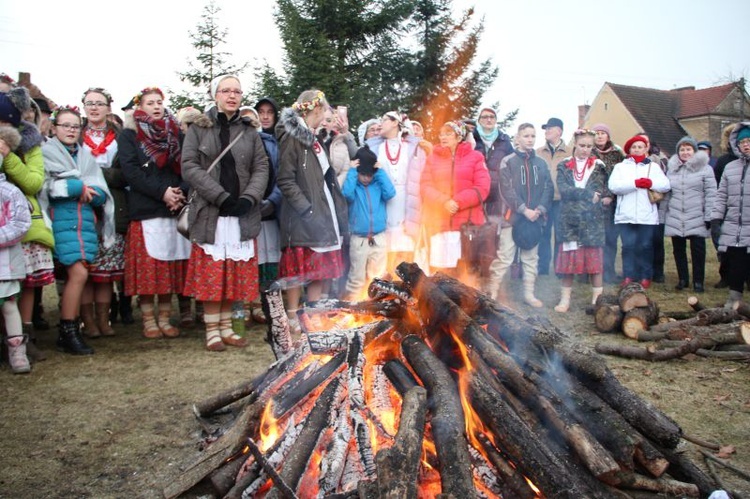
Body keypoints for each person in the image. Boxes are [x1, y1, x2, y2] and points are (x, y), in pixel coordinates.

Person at [181, 75, 269, 351]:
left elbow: (261, 167)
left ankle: (228, 326)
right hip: (211, 211)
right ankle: (212, 330)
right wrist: (219, 196)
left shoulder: (249, 130)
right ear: (215, 95)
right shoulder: (199, 127)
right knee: (213, 272)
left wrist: (248, 198)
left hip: (240, 212)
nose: (232, 96)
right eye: (226, 91)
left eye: (237, 92)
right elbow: (189, 166)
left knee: (233, 271)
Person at [40, 106, 115, 355]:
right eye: (66, 126)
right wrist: (76, 187)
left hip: (84, 223)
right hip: (59, 221)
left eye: (75, 126)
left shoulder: (85, 156)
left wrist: (91, 194)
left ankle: (70, 329)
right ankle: (68, 330)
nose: (71, 130)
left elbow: (100, 190)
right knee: (78, 274)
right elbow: (46, 187)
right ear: (54, 128)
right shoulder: (46, 153)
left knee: (80, 273)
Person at [119, 87, 190, 339]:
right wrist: (163, 193)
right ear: (140, 107)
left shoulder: (175, 133)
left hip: (173, 208)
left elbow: (187, 166)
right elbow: (131, 171)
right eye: (150, 103)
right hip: (147, 207)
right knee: (150, 270)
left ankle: (164, 317)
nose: (157, 106)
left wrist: (179, 193)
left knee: (168, 268)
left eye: (159, 102)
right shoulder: (129, 135)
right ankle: (149, 320)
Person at [276, 89, 347, 326]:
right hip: (302, 216)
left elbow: (325, 177)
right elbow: (285, 179)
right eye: (325, 109)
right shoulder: (292, 137)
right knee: (297, 270)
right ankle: (293, 316)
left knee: (320, 268)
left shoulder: (314, 139)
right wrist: (305, 209)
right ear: (315, 108)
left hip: (322, 212)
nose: (327, 113)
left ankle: (312, 315)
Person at [0, 87, 55, 362]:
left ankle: (25, 337)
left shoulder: (29, 144)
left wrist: (8, 158)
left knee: (25, 285)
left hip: (21, 224)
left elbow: (33, 183)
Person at [487, 123, 553, 306]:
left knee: (531, 258)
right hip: (513, 217)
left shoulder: (541, 163)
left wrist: (539, 210)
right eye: (526, 136)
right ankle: (492, 291)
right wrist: (523, 209)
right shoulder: (508, 161)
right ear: (517, 138)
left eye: (533, 136)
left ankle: (529, 294)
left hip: (534, 219)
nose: (530, 139)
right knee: (505, 256)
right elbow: (506, 189)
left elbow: (548, 188)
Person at [79, 87, 126, 336]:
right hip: (82, 207)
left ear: (109, 107)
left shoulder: (121, 136)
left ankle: (104, 319)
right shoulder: (75, 135)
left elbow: (125, 172)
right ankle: (88, 321)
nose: (94, 108)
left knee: (106, 270)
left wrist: (97, 176)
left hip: (113, 208)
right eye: (90, 103)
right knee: (85, 269)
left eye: (99, 103)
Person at [420, 120, 490, 278]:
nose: (443, 137)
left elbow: (483, 187)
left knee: (464, 274)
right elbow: (425, 186)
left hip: (466, 227)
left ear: (459, 136)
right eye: (441, 133)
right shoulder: (432, 158)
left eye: (448, 133)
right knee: (439, 273)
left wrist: (457, 202)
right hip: (439, 224)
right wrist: (444, 201)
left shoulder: (475, 157)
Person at [553, 130, 610, 312]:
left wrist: (585, 196)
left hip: (592, 220)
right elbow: (564, 190)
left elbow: (598, 190)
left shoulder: (598, 166)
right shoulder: (564, 165)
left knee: (594, 263)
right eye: (582, 145)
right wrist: (586, 194)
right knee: (569, 262)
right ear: (575, 144)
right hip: (569, 221)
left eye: (589, 146)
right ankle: (565, 300)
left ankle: (597, 300)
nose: (586, 150)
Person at [607, 135, 670, 289]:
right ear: (629, 150)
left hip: (646, 214)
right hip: (626, 214)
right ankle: (629, 275)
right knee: (628, 246)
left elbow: (666, 185)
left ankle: (645, 276)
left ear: (645, 149)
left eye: (640, 147)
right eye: (634, 147)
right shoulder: (620, 167)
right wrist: (634, 184)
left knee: (645, 246)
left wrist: (651, 183)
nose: (637, 149)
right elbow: (614, 186)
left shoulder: (653, 167)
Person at [366, 111, 423, 271]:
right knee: (383, 251)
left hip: (407, 200)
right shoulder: (374, 148)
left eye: (384, 120)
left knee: (405, 247)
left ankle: (405, 286)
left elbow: (421, 178)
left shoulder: (413, 148)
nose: (379, 124)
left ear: (395, 123)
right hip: (383, 201)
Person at [661, 137, 716, 293]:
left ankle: (698, 281)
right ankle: (683, 279)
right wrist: (662, 216)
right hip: (676, 214)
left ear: (694, 151)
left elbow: (711, 193)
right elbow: (666, 194)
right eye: (682, 150)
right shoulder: (672, 170)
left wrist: (709, 215)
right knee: (678, 249)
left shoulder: (705, 169)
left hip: (697, 214)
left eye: (688, 149)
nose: (685, 152)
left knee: (698, 250)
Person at [341, 146, 395, 299]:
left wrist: (381, 172)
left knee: (377, 278)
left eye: (370, 174)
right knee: (356, 278)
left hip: (378, 237)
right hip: (359, 239)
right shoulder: (354, 185)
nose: (366, 178)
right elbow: (346, 194)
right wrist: (352, 171)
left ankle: (375, 308)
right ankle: (352, 307)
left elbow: (390, 193)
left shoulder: (378, 184)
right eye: (362, 174)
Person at [0, 126, 33, 373]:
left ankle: (17, 351)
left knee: (9, 304)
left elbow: (21, 223)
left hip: (4, 262)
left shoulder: (10, 191)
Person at [711, 122, 750, 309]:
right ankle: (734, 300)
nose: (746, 145)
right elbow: (721, 195)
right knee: (736, 262)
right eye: (742, 141)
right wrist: (716, 218)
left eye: (749, 141)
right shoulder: (731, 167)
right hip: (735, 224)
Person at [591, 123, 625, 284]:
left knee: (611, 238)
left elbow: (620, 177)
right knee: (592, 238)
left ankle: (609, 271)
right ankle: (591, 271)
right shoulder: (588, 152)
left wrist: (610, 195)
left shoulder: (617, 155)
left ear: (608, 136)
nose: (599, 136)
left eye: (602, 133)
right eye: (596, 133)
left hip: (612, 203)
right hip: (592, 201)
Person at [535, 117, 568, 275]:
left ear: (559, 131)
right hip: (545, 200)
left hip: (563, 200)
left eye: (550, 128)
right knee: (544, 235)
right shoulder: (538, 152)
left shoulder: (569, 152)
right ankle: (543, 268)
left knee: (561, 236)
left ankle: (559, 268)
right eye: (545, 128)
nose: (546, 131)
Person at [472, 107, 514, 225]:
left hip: (497, 194)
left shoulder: (504, 141)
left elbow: (511, 164)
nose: (488, 120)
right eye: (485, 117)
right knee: (475, 231)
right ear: (479, 120)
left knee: (494, 230)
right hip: (476, 193)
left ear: (495, 121)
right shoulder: (472, 138)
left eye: (492, 117)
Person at [712, 124, 739, 289]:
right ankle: (726, 275)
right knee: (724, 245)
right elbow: (717, 185)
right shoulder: (723, 161)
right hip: (727, 208)